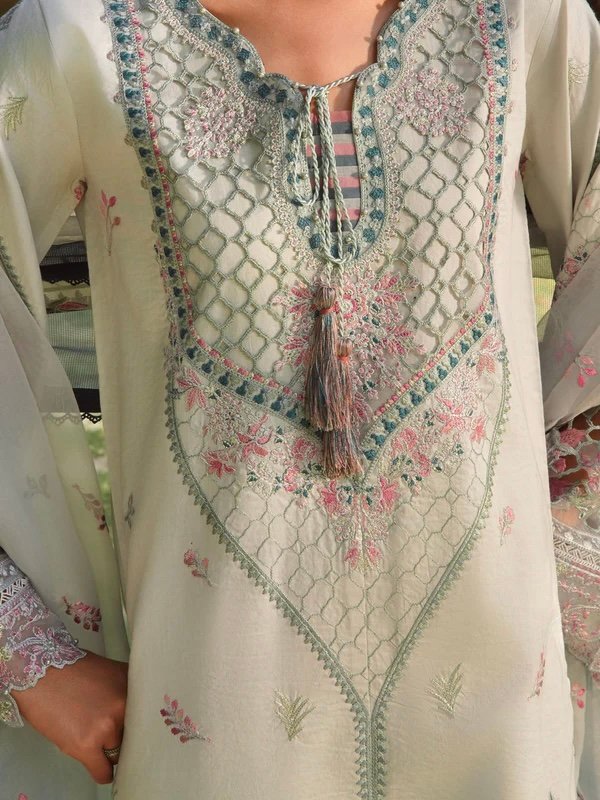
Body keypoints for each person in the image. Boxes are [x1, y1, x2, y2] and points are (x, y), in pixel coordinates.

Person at [0, 0, 599, 798]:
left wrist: (567, 517)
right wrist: (28, 654)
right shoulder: (83, 34)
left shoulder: (519, 16)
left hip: (501, 705)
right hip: (220, 716)